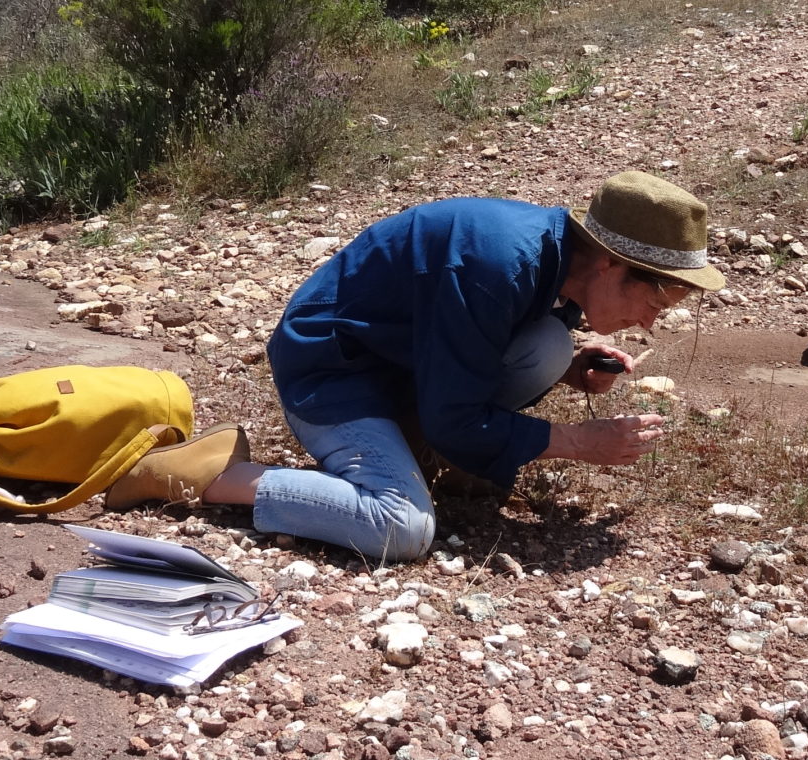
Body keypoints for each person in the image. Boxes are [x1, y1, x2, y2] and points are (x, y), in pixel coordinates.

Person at [109, 171, 724, 564]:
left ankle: (434, 454)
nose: (650, 321)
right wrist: (578, 443)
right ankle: (212, 473)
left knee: (551, 347)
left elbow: (474, 341)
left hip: (400, 365)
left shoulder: (552, 259)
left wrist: (570, 370)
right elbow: (456, 411)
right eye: (656, 300)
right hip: (333, 371)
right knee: (399, 526)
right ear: (613, 266)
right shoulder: (495, 263)